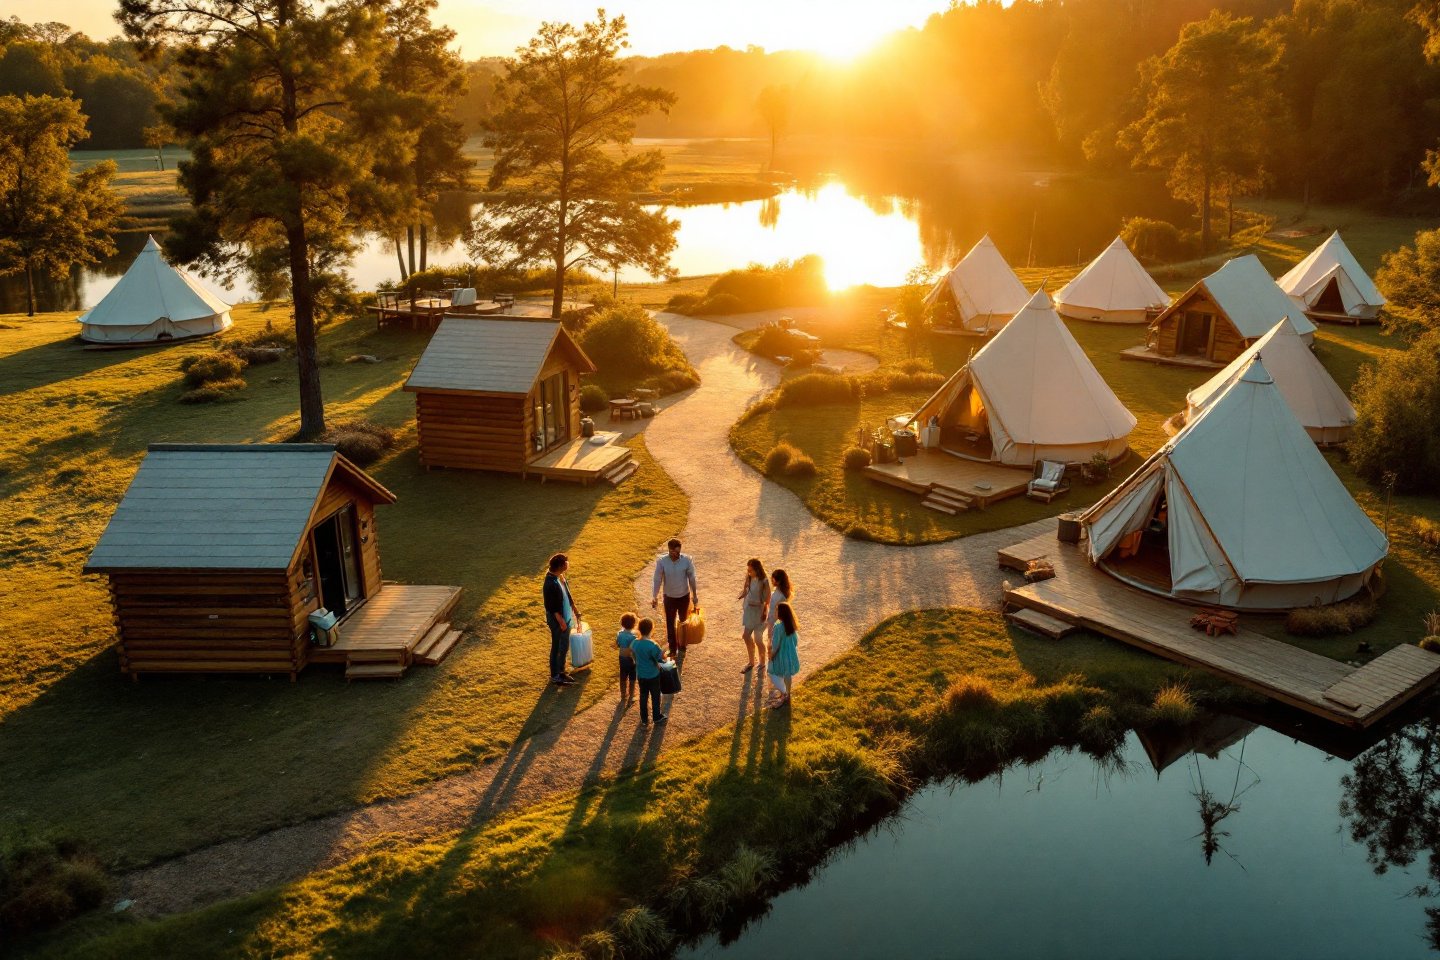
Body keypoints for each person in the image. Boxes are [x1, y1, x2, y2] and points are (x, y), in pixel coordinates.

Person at [651, 537, 698, 657]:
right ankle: (673, 648)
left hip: (683, 596)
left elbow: (692, 578)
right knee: (670, 623)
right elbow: (657, 579)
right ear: (669, 550)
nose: (677, 554)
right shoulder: (662, 561)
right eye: (674, 552)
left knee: (683, 622)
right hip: (669, 597)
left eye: (679, 551)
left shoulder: (687, 560)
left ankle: (682, 644)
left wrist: (695, 595)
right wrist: (654, 596)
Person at [542, 553, 580, 686]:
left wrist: (574, 609)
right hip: (558, 620)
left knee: (564, 646)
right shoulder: (550, 583)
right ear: (560, 566)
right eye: (565, 562)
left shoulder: (559, 577)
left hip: (565, 617)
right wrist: (561, 621)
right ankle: (555, 675)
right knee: (557, 646)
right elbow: (551, 606)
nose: (567, 564)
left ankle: (561, 671)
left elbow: (567, 594)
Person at [631, 617, 669, 726]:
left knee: (643, 696)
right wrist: (664, 650)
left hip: (641, 675)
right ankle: (656, 717)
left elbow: (633, 655)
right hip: (653, 675)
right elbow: (660, 659)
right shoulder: (653, 645)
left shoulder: (635, 643)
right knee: (655, 696)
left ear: (639, 629)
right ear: (652, 629)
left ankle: (644, 720)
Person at [737, 557, 771, 674]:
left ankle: (762, 662)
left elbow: (767, 599)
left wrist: (757, 604)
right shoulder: (749, 578)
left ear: (757, 569)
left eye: (751, 570)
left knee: (758, 639)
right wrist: (742, 595)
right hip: (749, 612)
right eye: (748, 570)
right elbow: (746, 589)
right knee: (746, 636)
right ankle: (751, 662)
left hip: (760, 612)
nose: (749, 572)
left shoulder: (764, 581)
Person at [767, 601, 801, 709]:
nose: (775, 611)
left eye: (777, 610)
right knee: (787, 675)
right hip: (790, 655)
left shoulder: (778, 627)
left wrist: (771, 656)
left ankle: (784, 694)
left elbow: (776, 644)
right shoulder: (792, 624)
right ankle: (787, 694)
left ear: (781, 613)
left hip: (781, 655)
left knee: (772, 673)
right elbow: (795, 640)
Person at [616, 612, 638, 704]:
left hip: (622, 658)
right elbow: (634, 649)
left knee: (623, 677)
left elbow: (618, 644)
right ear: (634, 624)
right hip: (631, 659)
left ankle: (623, 695)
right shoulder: (634, 637)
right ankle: (631, 696)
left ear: (622, 624)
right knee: (632, 678)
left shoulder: (620, 634)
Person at [767, 568, 792, 632]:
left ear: (778, 581)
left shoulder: (781, 596)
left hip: (775, 623)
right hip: (772, 620)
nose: (771, 580)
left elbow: (779, 613)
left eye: (773, 579)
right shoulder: (777, 591)